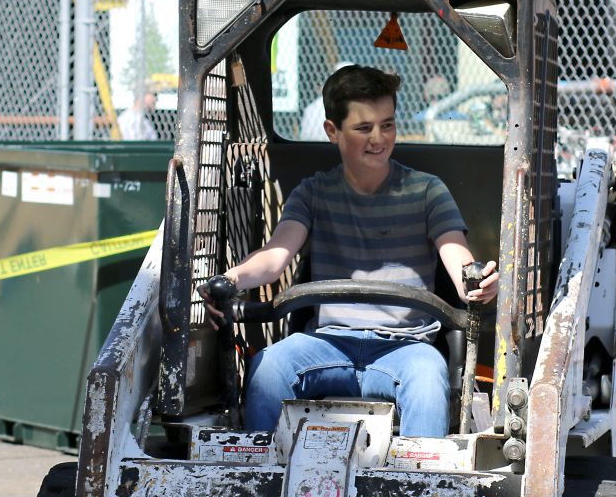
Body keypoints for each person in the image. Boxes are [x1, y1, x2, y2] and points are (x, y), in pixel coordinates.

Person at [202, 65, 498, 437]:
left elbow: (459, 260)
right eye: (364, 128)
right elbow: (275, 255)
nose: (379, 138)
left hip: (406, 348)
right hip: (326, 344)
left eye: (387, 124)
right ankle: (260, 483)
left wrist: (477, 282)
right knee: (269, 368)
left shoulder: (427, 191)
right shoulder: (313, 193)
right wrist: (230, 279)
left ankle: (422, 488)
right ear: (332, 132)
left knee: (428, 379)